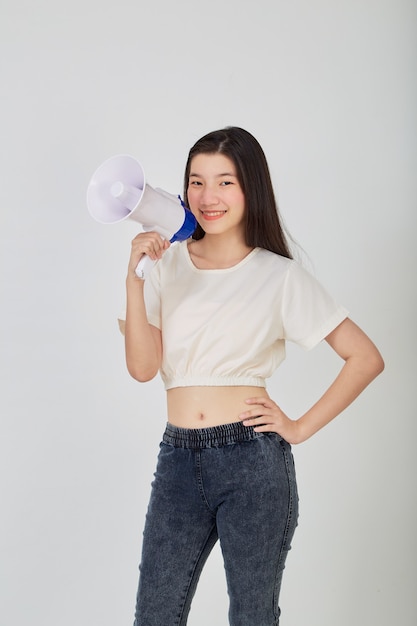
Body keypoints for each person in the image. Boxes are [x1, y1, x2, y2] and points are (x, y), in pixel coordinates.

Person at [119, 127, 384, 625]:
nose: (207, 197)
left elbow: (365, 357)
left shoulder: (278, 275)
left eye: (225, 182)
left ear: (250, 190)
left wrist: (299, 427)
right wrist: (133, 274)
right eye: (196, 182)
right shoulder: (165, 266)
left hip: (252, 462)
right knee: (154, 615)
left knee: (252, 615)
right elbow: (142, 369)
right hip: (177, 459)